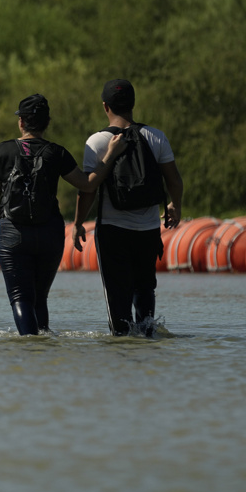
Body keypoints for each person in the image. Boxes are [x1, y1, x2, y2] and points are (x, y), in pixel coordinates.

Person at [0, 93, 127, 335]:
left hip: (13, 234)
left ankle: (30, 346)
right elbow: (87, 184)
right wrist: (111, 154)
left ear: (21, 122)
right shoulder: (56, 153)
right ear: (47, 123)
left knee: (21, 298)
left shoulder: (0, 152)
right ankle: (44, 345)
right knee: (40, 297)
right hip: (50, 233)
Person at [73, 79, 184, 336]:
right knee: (145, 290)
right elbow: (174, 180)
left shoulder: (98, 141)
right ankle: (147, 337)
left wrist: (78, 223)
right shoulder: (155, 136)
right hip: (147, 230)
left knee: (117, 294)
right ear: (133, 104)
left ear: (105, 106)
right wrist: (174, 206)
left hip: (113, 230)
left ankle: (122, 345)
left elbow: (88, 189)